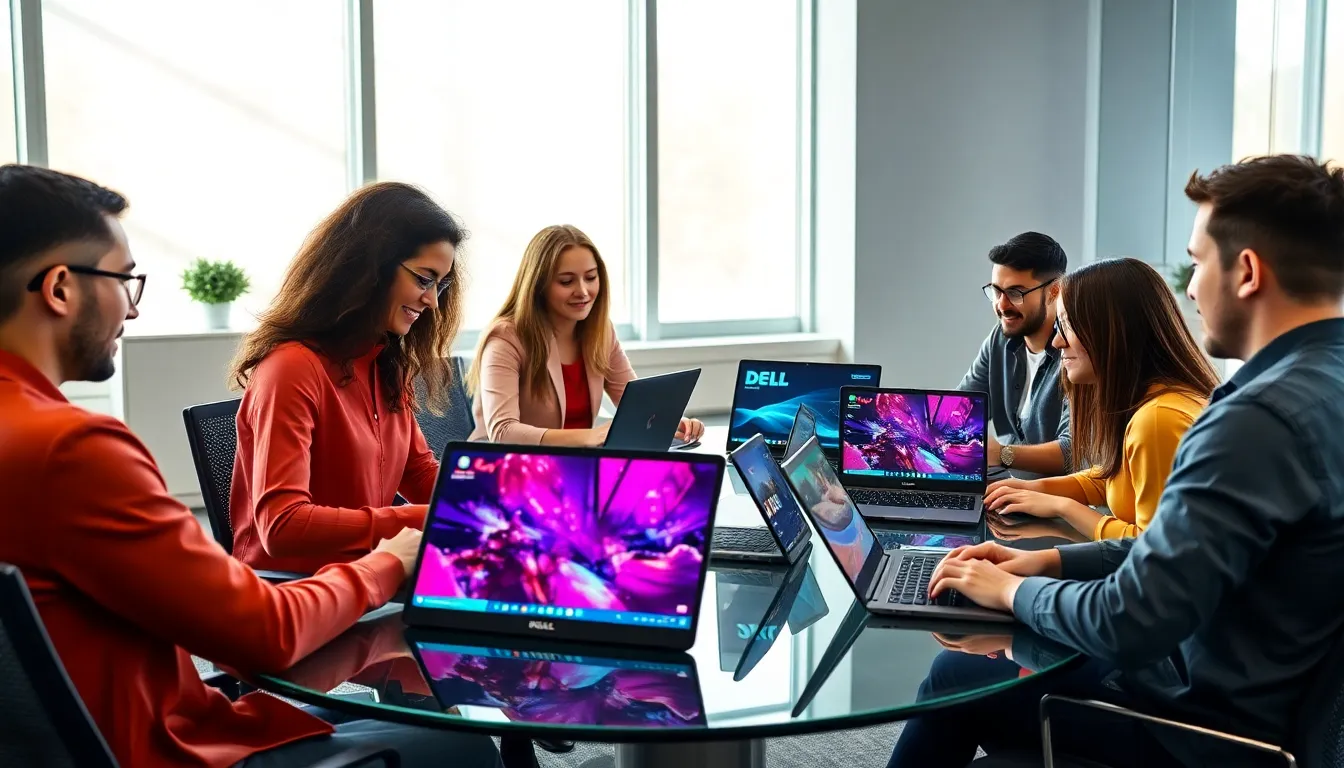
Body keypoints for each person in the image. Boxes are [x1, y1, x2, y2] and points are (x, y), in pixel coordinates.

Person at [0, 165, 500, 767]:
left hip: (107, 729)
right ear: (59, 289)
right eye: (125, 281)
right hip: (169, 746)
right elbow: (262, 630)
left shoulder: (30, 435)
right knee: (460, 745)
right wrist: (389, 560)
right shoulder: (76, 450)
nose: (131, 310)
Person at [900, 154, 1344, 767]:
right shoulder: (1325, 383)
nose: (1189, 287)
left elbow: (1129, 618)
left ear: (1245, 271)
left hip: (1198, 733)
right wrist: (1047, 559)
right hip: (1270, 712)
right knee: (975, 675)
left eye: (1196, 262)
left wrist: (1008, 592)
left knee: (957, 675)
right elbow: (1170, 549)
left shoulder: (1255, 423)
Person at [229, 182, 465, 575]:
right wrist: (423, 520)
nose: (433, 301)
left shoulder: (382, 361)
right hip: (289, 594)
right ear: (370, 269)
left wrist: (491, 502)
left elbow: (418, 471)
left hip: (366, 576)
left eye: (440, 285)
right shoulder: (291, 368)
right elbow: (282, 525)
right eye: (424, 279)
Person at [982, 257, 1219, 539]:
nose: (1057, 342)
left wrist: (1063, 506)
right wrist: (1034, 490)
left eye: (1066, 326)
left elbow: (1152, 546)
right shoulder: (1145, 403)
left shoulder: (1157, 420)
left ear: (1111, 332)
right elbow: (1110, 478)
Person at [468, 224, 704, 446]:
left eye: (591, 277)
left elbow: (637, 405)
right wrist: (590, 437)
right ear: (538, 285)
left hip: (577, 467)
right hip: (509, 471)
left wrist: (670, 422)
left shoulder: (600, 331)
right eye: (566, 281)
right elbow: (503, 432)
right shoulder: (505, 339)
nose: (582, 291)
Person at [960, 231, 1072, 476]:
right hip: (1006, 489)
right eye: (996, 291)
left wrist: (1001, 454)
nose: (1001, 305)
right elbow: (960, 410)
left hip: (1054, 502)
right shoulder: (999, 340)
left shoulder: (1077, 352)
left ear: (1054, 291)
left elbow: (1072, 452)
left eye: (1015, 293)